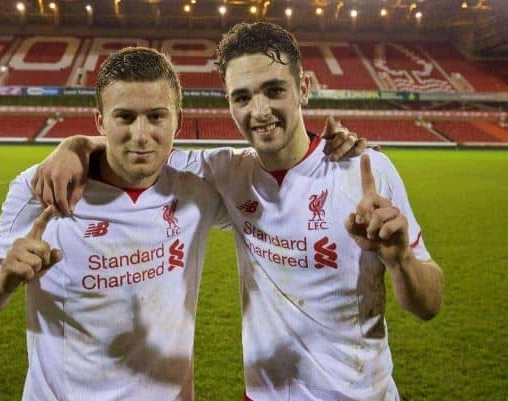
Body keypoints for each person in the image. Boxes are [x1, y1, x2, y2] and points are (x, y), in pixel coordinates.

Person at [34, 22, 444, 401]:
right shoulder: (227, 172)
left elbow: (428, 304)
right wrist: (75, 144)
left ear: (303, 88)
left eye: (274, 90)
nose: (259, 110)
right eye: (242, 97)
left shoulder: (365, 171)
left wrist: (401, 260)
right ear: (229, 102)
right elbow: (136, 145)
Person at [0, 48, 232, 401]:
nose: (141, 134)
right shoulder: (44, 188)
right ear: (101, 121)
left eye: (156, 116)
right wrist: (2, 281)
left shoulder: (199, 182)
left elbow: (285, 173)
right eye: (124, 117)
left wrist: (330, 151)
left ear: (177, 120)